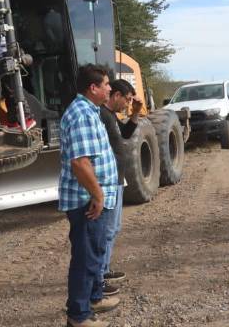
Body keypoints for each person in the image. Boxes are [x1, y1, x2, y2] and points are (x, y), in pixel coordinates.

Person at [59, 64, 120, 327]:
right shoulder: (82, 115)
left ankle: (94, 298)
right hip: (87, 201)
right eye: (106, 84)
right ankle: (79, 316)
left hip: (93, 197)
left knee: (95, 251)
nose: (110, 88)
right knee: (86, 257)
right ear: (93, 88)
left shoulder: (89, 111)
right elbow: (80, 163)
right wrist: (97, 195)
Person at [98, 79, 142, 296]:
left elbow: (125, 134)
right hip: (108, 180)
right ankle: (98, 276)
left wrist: (135, 113)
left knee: (113, 229)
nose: (128, 103)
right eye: (127, 99)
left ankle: (104, 270)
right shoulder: (101, 116)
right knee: (106, 230)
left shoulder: (111, 116)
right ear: (116, 95)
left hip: (118, 178)